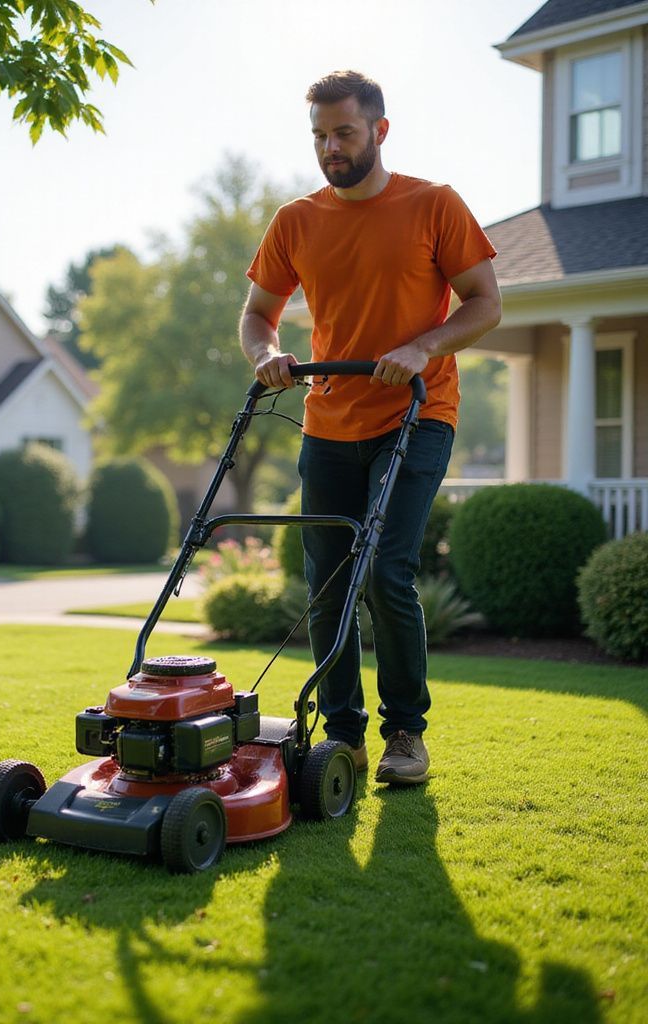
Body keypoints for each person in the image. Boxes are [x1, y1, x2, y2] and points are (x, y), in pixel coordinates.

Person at [239, 70, 501, 785]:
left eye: (344, 132)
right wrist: (267, 355)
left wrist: (423, 347)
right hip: (328, 419)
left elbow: (485, 302)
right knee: (325, 579)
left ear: (379, 130)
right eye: (320, 136)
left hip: (418, 412)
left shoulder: (434, 205)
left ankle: (406, 734)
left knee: (385, 566)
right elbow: (257, 315)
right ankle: (344, 738)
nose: (330, 147)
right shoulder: (296, 220)